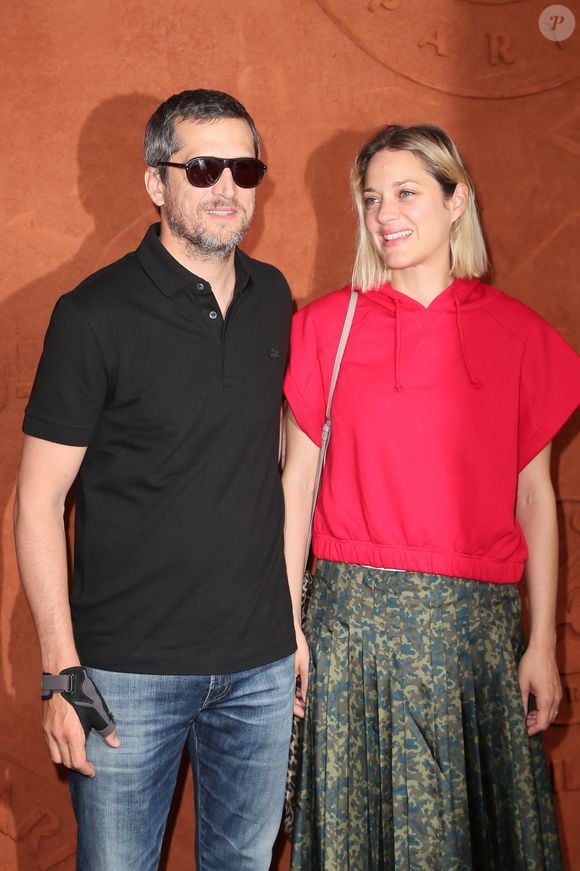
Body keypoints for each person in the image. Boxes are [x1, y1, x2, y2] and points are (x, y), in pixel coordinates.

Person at [282, 123, 580, 870]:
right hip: (351, 632)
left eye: (407, 192)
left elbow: (538, 501)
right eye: (372, 197)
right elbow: (295, 489)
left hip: (476, 639)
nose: (385, 213)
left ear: (458, 202)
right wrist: (287, 628)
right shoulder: (323, 329)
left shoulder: (520, 337)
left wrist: (542, 642)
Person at [14, 88, 296, 871]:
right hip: (125, 674)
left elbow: (275, 454)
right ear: (155, 182)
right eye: (202, 168)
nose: (226, 188)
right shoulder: (93, 314)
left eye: (244, 168)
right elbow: (36, 500)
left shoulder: (275, 298)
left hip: (260, 668)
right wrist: (61, 671)